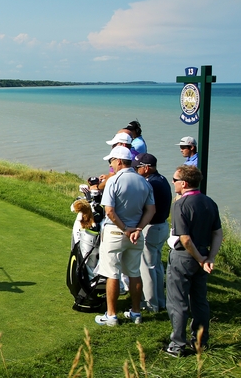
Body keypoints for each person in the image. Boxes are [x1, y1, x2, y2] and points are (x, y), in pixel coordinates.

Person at [164, 165, 223, 357]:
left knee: (178, 302)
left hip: (184, 257)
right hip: (204, 256)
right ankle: (200, 341)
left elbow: (185, 239)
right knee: (199, 301)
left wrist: (198, 259)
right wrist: (209, 258)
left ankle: (177, 345)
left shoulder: (181, 205)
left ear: (184, 183)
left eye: (175, 180)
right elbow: (217, 233)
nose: (173, 182)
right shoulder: (209, 202)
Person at [94, 146, 156, 327]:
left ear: (119, 161)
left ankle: (111, 316)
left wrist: (126, 229)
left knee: (111, 273)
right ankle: (136, 313)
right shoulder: (144, 182)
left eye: (111, 161)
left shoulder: (114, 181)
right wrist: (138, 229)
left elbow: (110, 211)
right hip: (136, 235)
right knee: (134, 273)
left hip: (115, 231)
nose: (111, 164)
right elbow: (151, 210)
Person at [132, 153, 172, 313]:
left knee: (147, 268)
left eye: (137, 167)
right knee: (156, 267)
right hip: (162, 227)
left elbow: (145, 208)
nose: (135, 170)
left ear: (146, 168)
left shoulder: (151, 184)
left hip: (152, 228)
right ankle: (160, 302)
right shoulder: (160, 179)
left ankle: (151, 305)